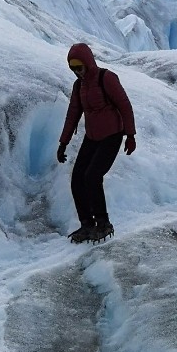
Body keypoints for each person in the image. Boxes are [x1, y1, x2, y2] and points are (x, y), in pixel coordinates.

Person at [55, 41, 136, 242]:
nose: (77, 72)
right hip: (91, 137)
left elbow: (124, 105)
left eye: (79, 67)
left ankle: (103, 223)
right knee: (77, 179)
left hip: (112, 136)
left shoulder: (106, 78)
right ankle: (87, 225)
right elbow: (72, 114)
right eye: (73, 69)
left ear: (88, 63)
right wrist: (63, 143)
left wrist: (130, 135)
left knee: (92, 176)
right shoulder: (78, 86)